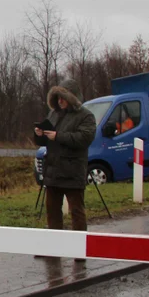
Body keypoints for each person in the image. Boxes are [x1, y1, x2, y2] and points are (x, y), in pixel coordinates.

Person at [33, 79, 97, 260]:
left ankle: (79, 250)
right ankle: (54, 248)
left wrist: (58, 136)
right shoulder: (54, 114)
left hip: (72, 169)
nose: (60, 101)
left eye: (63, 98)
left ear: (71, 98)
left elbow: (84, 138)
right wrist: (39, 135)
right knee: (52, 211)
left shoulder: (86, 116)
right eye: (58, 98)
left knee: (77, 211)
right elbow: (45, 140)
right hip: (52, 170)